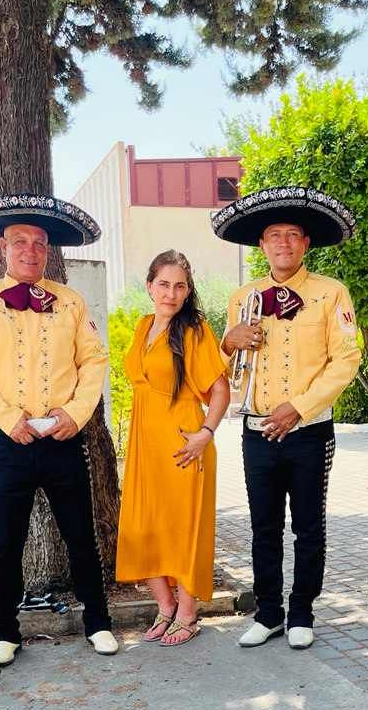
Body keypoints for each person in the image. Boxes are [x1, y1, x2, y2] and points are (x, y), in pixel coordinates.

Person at [0, 193, 117, 664]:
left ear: (48, 251)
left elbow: (93, 360)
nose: (30, 250)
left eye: (39, 243)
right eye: (20, 242)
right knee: (6, 542)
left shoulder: (69, 302)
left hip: (64, 437)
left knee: (81, 535)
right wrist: (7, 419)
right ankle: (6, 632)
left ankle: (98, 623)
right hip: (10, 440)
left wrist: (76, 413)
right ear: (3, 248)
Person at [212, 186, 362, 650]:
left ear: (305, 244)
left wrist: (298, 405)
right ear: (262, 245)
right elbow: (225, 365)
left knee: (309, 525)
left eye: (292, 235)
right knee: (263, 526)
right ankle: (269, 612)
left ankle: (302, 612)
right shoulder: (243, 295)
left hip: (308, 430)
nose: (283, 243)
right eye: (274, 236)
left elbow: (346, 360)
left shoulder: (330, 293)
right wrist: (229, 340)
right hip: (255, 429)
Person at [115, 250, 230, 646]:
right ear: (149, 286)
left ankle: (187, 612)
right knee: (145, 527)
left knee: (183, 531)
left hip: (184, 443)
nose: (171, 292)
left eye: (179, 285)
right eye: (163, 283)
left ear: (187, 291)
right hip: (145, 443)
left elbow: (219, 389)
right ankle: (164, 605)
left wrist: (206, 433)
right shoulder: (142, 325)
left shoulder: (195, 330)